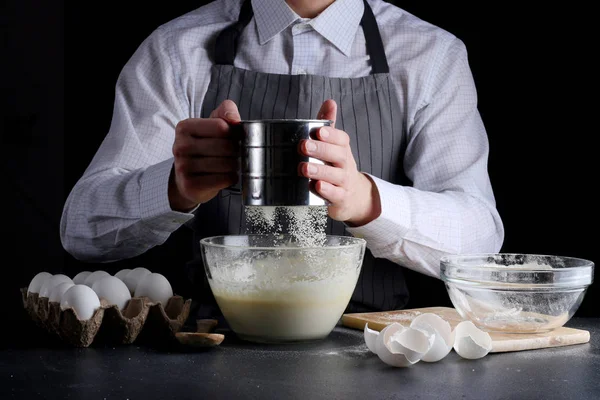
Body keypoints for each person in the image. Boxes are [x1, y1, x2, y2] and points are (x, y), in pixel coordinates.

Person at [60, 0, 504, 316]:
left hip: (375, 350)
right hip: (211, 349)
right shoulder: (177, 50)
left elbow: (482, 239)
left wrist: (367, 200)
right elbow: (81, 229)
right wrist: (174, 187)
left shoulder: (431, 55)